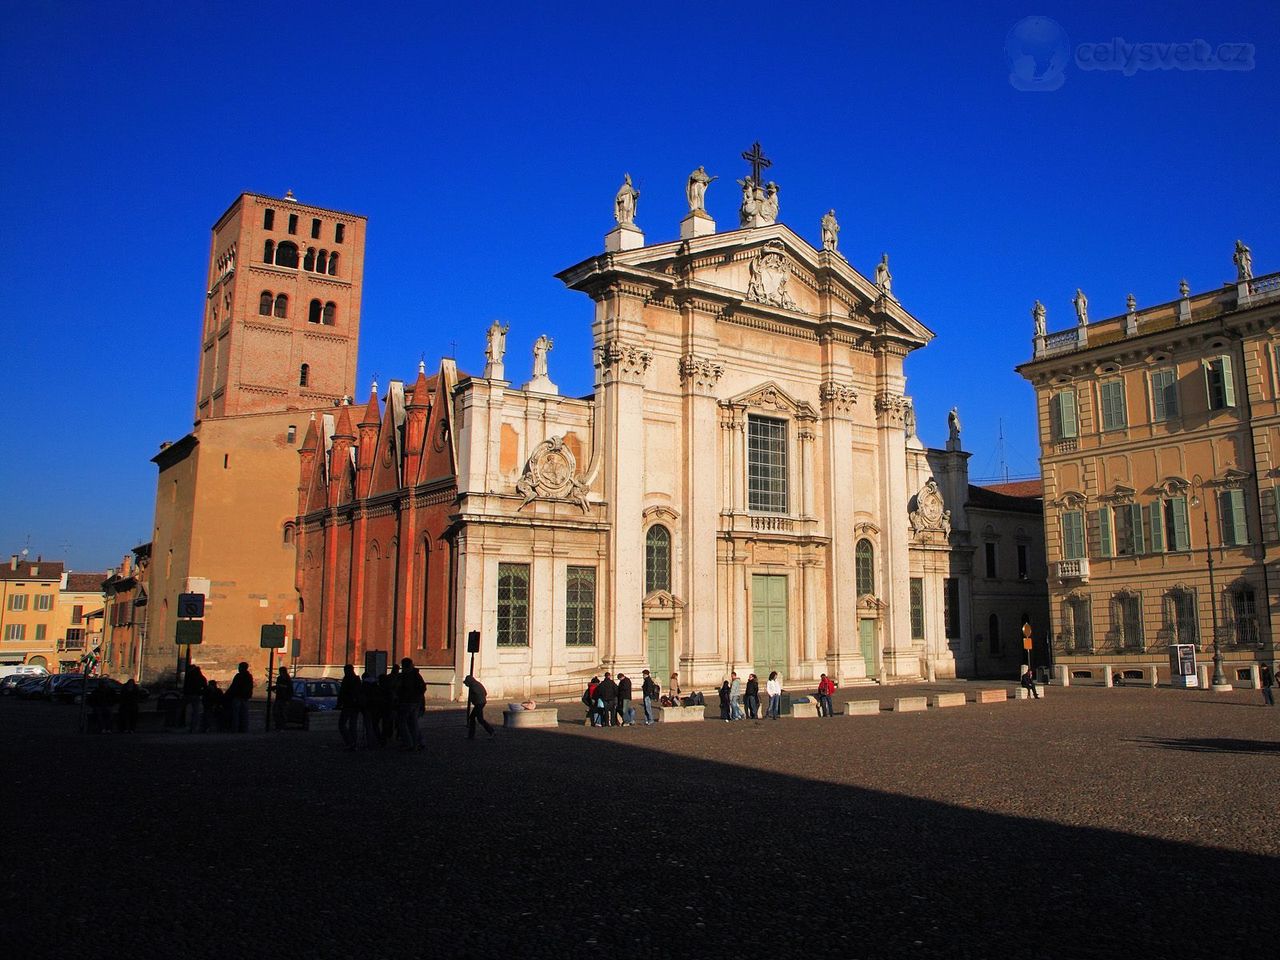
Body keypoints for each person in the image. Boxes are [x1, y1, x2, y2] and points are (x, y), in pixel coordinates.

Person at [397, 657, 426, 750]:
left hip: (407, 702)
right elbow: (422, 688)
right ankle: (418, 742)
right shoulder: (416, 675)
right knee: (413, 723)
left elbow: (400, 688)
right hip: (416, 702)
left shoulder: (406, 676)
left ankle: (409, 743)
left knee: (402, 723)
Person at [337, 664, 361, 750]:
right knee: (353, 724)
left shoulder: (347, 679)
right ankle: (354, 742)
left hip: (348, 705)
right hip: (356, 705)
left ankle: (349, 742)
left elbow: (342, 693)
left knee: (342, 724)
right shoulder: (357, 679)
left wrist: (339, 704)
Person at [227, 661, 254, 733]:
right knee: (244, 714)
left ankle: (235, 729)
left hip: (238, 696)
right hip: (245, 697)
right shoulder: (249, 676)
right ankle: (243, 729)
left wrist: (228, 695)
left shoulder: (239, 676)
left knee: (236, 714)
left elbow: (233, 687)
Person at [360, 671, 384, 747]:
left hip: (368, 707)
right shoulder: (376, 684)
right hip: (377, 707)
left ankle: (370, 742)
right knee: (375, 725)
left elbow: (363, 697)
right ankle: (379, 740)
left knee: (368, 726)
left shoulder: (364, 685)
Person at [182, 664, 207, 733]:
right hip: (196, 695)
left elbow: (185, 686)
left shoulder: (188, 676)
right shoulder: (200, 677)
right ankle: (194, 727)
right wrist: (201, 693)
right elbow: (205, 686)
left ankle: (186, 726)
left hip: (188, 695)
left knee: (186, 711)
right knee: (196, 712)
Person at [273, 666, 293, 731]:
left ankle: (282, 727)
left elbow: (289, 689)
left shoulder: (287, 679)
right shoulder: (280, 678)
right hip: (279, 698)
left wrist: (279, 686)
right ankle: (278, 726)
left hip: (284, 698)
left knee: (282, 713)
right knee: (277, 713)